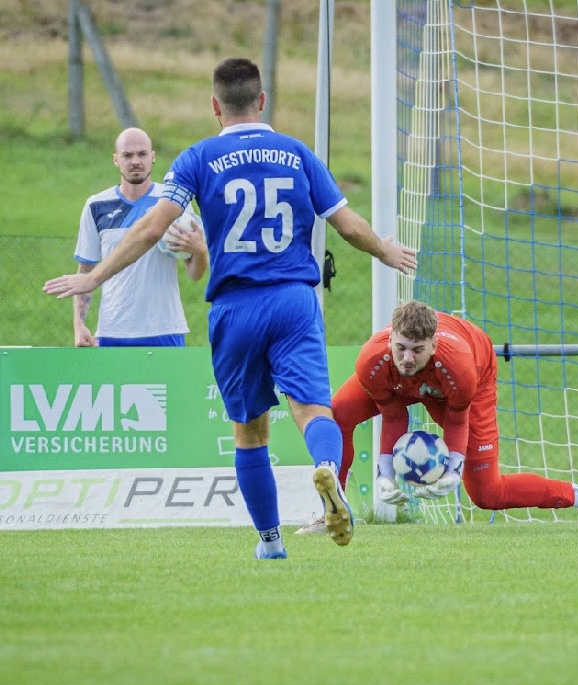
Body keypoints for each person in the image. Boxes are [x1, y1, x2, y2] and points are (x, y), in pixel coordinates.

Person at [44, 57, 418, 558]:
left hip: (235, 306)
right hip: (293, 300)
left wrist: (94, 276)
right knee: (312, 409)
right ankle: (328, 468)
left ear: (215, 107)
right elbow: (347, 225)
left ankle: (270, 543)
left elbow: (152, 227)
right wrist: (385, 252)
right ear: (262, 101)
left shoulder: (198, 158)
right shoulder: (297, 153)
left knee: (249, 431)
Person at [297, 299, 578, 535]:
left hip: (471, 376)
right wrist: (386, 474)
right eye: (400, 348)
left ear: (433, 345)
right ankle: (333, 512)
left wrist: (453, 470)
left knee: (487, 494)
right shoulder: (373, 360)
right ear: (391, 339)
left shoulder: (458, 368)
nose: (407, 358)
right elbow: (394, 416)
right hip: (401, 382)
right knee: (336, 416)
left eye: (417, 349)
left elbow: (457, 420)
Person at [73, 127, 208, 348]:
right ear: (116, 160)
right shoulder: (96, 206)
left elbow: (195, 273)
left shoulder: (173, 202)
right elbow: (86, 271)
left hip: (165, 329)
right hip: (112, 331)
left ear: (152, 157)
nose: (135, 161)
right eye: (127, 155)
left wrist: (200, 251)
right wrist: (79, 325)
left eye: (142, 154)